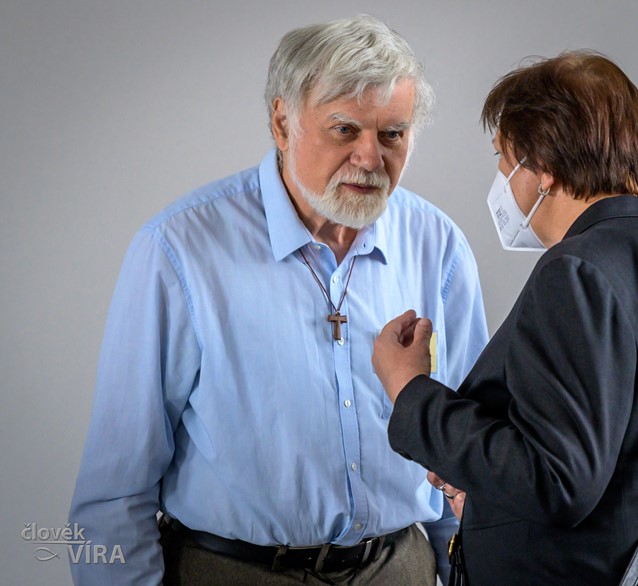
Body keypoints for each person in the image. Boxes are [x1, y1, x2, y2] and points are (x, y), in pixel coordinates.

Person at [69, 15, 488, 585]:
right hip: (233, 570)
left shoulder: (438, 245)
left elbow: (464, 452)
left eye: (392, 134)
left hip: (399, 566)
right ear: (282, 122)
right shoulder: (179, 249)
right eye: (345, 130)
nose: (370, 158)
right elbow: (114, 494)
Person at [373, 50, 638, 585]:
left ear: (543, 169)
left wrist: (409, 389)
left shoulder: (575, 271)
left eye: (504, 156)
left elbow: (556, 480)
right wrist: (496, 509)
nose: (501, 176)